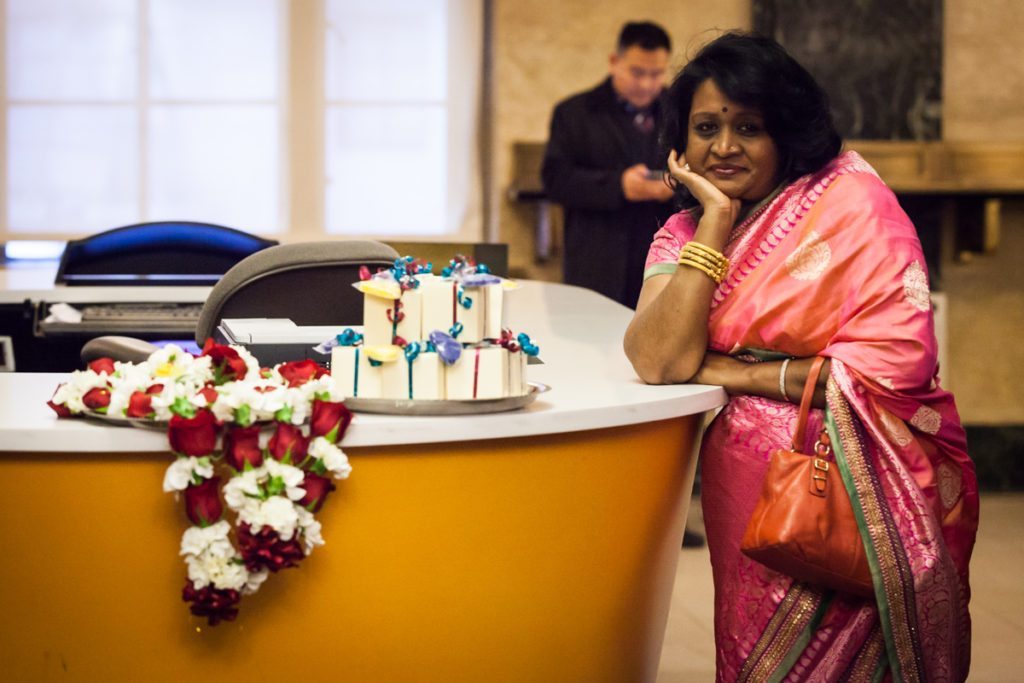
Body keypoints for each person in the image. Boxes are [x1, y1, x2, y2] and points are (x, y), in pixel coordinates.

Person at [623, 32, 978, 681]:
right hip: (749, 499)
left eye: (749, 127)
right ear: (681, 143)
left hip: (858, 487)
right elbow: (658, 359)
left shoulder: (851, 208)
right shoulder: (680, 233)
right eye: (706, 127)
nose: (724, 146)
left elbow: (897, 360)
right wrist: (714, 219)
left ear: (785, 132)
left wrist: (740, 371)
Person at [542, 21, 675, 309]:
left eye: (656, 74)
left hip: (661, 258)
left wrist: (675, 185)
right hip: (597, 256)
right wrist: (619, 185)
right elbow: (555, 180)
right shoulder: (574, 113)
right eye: (637, 72)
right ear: (615, 62)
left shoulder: (679, 113)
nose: (647, 84)